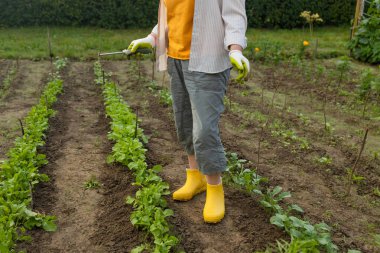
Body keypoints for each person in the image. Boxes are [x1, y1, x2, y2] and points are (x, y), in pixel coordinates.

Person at [126, 0, 249, 223]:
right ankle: (195, 177)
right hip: (176, 60)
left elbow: (234, 16)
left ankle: (214, 188)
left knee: (204, 131)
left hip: (208, 61)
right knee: (184, 123)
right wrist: (152, 38)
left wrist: (236, 49)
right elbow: (171, 15)